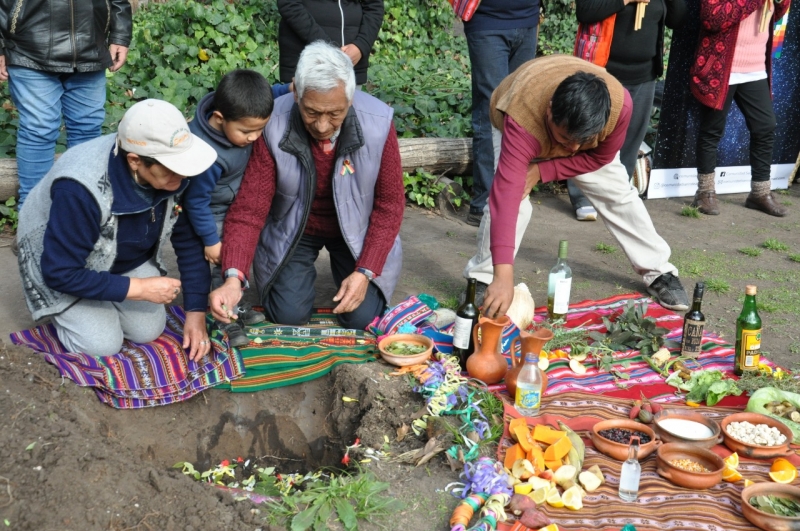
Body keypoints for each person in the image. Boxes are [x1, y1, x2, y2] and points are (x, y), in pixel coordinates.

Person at [464, 55, 690, 318]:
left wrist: (543, 170)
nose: (570, 149)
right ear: (550, 110)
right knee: (517, 204)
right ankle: (485, 277)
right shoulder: (522, 118)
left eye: (581, 142)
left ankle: (659, 270)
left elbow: (599, 158)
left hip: (575, 133)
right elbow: (506, 199)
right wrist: (505, 277)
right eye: (564, 139)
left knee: (618, 194)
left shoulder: (619, 107)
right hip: (520, 113)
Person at [210, 41, 405, 330]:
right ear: (297, 94)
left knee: (361, 317)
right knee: (287, 315)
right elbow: (250, 209)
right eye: (312, 112)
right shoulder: (272, 123)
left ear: (350, 99)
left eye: (334, 114)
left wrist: (366, 271)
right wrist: (233, 276)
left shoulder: (378, 122)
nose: (323, 125)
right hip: (294, 229)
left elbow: (390, 206)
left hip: (356, 229)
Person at [16, 99, 217, 360]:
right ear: (135, 161)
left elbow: (188, 238)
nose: (184, 175)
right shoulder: (79, 189)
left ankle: (102, 295)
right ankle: (67, 312)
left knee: (148, 330)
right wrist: (140, 289)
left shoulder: (172, 169)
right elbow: (60, 272)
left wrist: (195, 311)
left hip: (122, 253)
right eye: (173, 168)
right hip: (64, 262)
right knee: (102, 345)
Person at [185, 69, 292, 346]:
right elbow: (194, 201)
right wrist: (209, 240)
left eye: (260, 129)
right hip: (208, 214)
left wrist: (290, 87)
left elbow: (274, 92)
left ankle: (234, 304)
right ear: (220, 119)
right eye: (247, 131)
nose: (255, 137)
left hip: (233, 203)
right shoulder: (205, 154)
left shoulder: (243, 108)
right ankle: (221, 320)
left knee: (236, 256)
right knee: (213, 264)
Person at [0, 0, 132, 211]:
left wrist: (120, 34)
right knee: (40, 128)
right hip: (28, 45)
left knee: (87, 128)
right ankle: (33, 216)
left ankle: (82, 210)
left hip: (90, 44)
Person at [567, 0, 687, 222]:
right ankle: (582, 197)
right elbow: (586, 11)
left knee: (631, 138)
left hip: (644, 73)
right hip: (602, 70)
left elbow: (676, 19)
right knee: (589, 134)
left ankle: (618, 194)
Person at [690, 0, 791, 217]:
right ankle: (704, 192)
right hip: (721, 68)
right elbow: (712, 18)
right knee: (712, 130)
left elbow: (777, 13)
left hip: (754, 69)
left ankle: (759, 193)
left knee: (765, 127)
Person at [464, 0, 541, 227]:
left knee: (518, 109)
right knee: (492, 109)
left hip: (528, 19)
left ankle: (510, 195)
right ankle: (485, 203)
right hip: (487, 21)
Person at [277, 0, 384, 87]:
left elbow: (374, 5)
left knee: (349, 113)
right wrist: (326, 48)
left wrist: (361, 45)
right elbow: (289, 4)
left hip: (351, 65)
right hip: (306, 64)